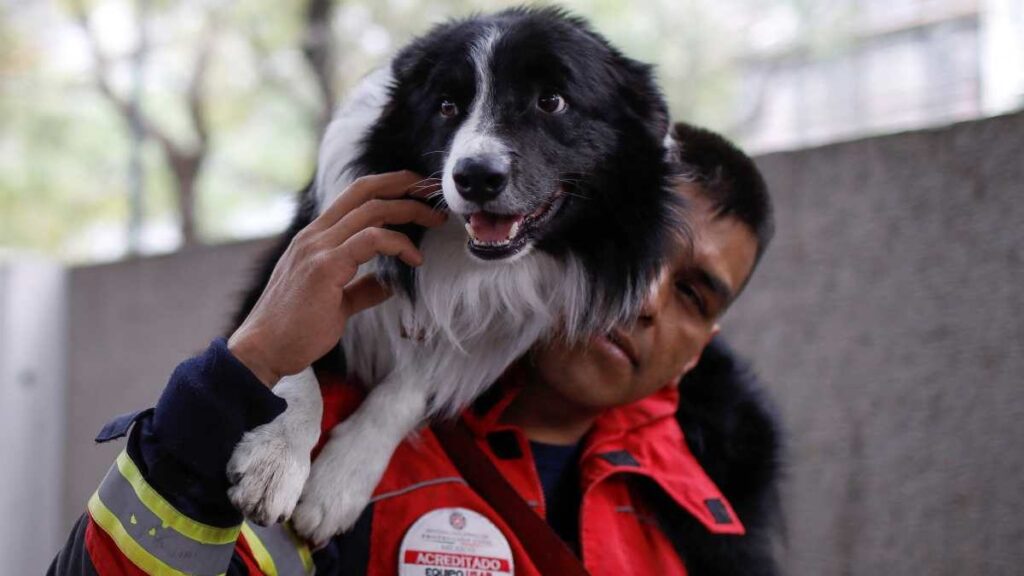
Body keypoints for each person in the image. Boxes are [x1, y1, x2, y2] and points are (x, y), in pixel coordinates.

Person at [49, 122, 780, 576]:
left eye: (693, 295)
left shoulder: (709, 520)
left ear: (700, 348)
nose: (646, 300)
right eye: (642, 251)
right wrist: (242, 376)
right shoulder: (317, 437)